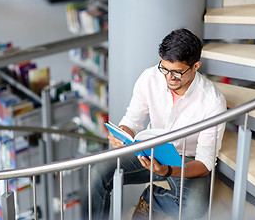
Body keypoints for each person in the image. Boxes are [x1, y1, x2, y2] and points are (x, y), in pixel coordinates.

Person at [82, 28, 226, 220]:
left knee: (193, 208)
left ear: (196, 66)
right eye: (164, 69)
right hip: (150, 151)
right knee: (98, 172)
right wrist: (122, 133)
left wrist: (166, 170)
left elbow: (205, 163)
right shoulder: (149, 78)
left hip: (188, 159)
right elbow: (132, 120)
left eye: (177, 72)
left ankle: (152, 198)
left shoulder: (212, 101)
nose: (169, 78)